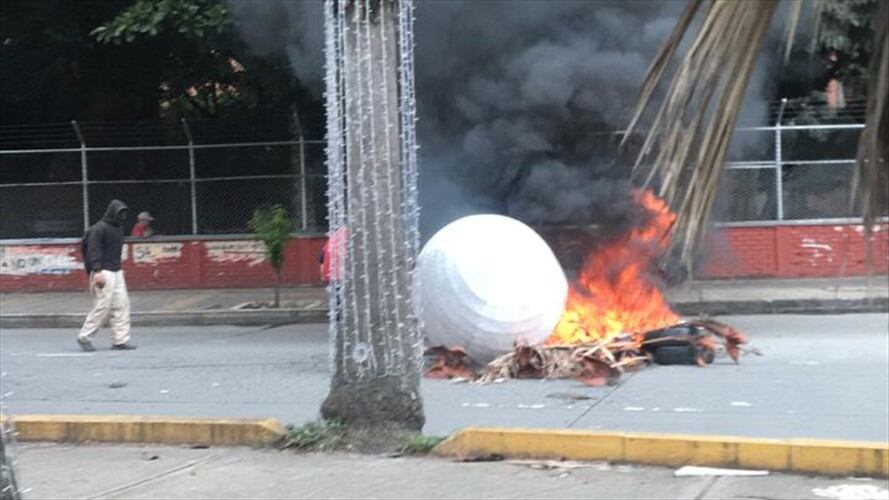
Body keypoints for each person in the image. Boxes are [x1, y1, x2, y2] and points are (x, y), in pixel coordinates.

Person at [77, 199, 136, 352]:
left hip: (116, 271)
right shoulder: (98, 229)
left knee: (121, 305)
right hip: (103, 272)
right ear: (112, 212)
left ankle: (120, 340)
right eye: (120, 213)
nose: (122, 216)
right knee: (102, 306)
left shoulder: (118, 229)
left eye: (124, 213)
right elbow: (93, 250)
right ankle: (84, 336)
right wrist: (96, 271)